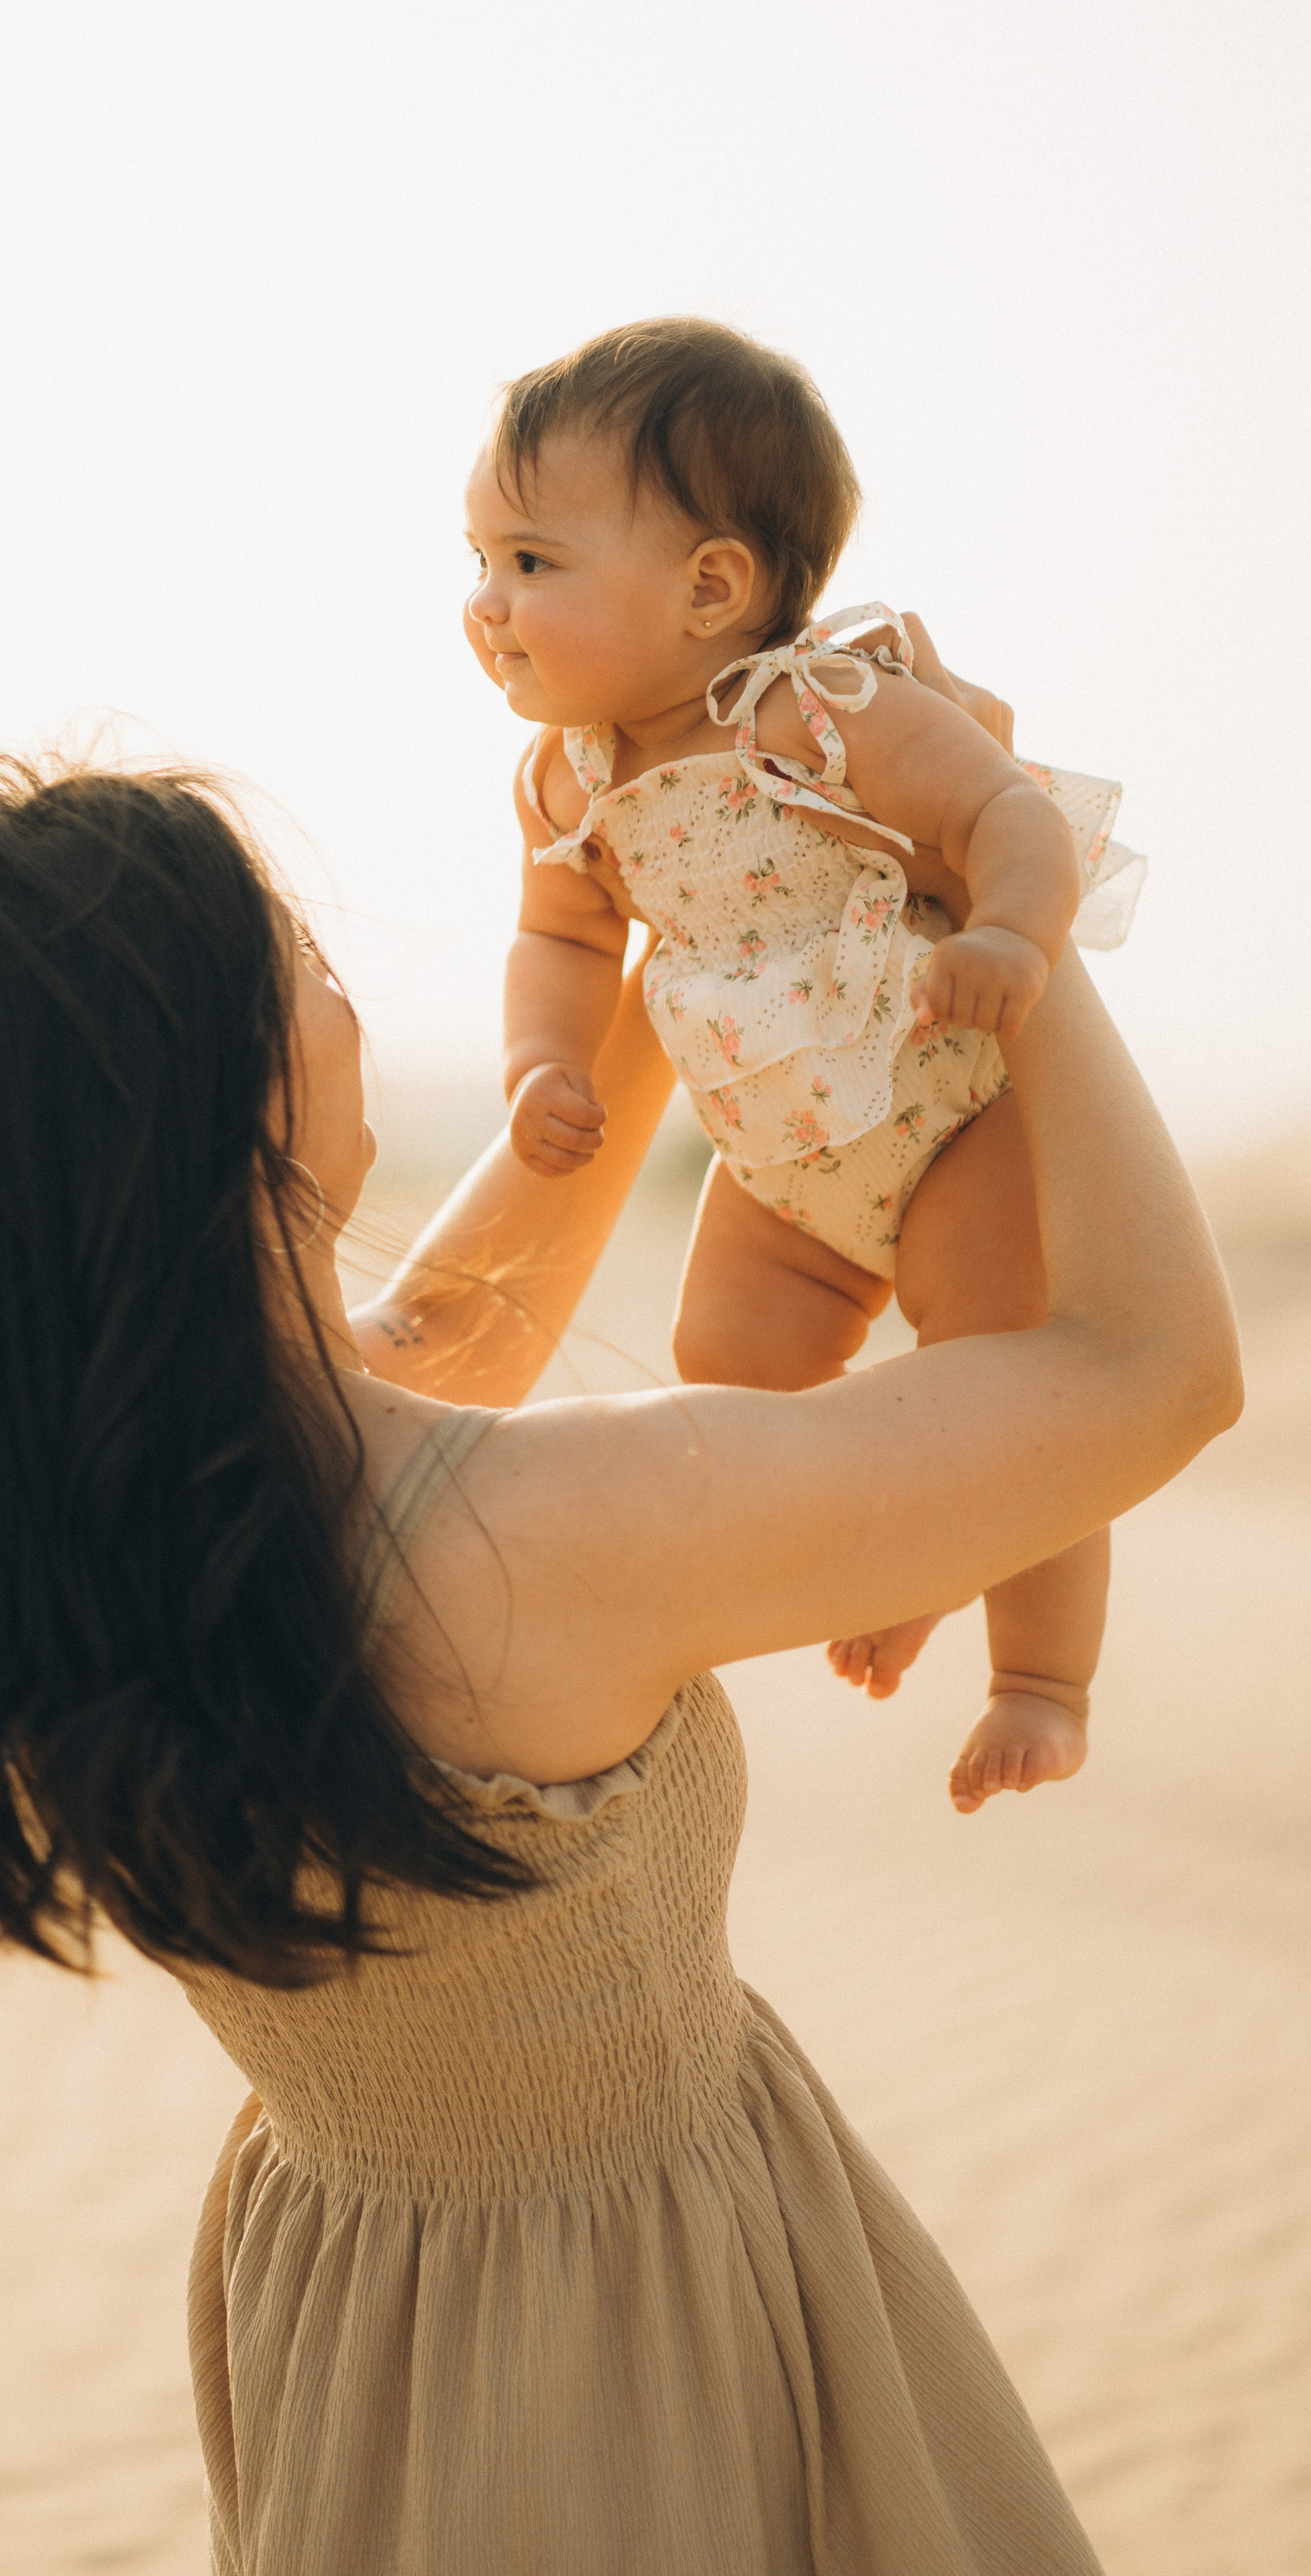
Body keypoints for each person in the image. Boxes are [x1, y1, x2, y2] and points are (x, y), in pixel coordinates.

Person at [0, 732, 1238, 2576]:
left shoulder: (82, 1534)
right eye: (299, 955)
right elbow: (1152, 1369)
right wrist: (1007, 906)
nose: (344, 989)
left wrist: (680, 906)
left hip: (365, 2320)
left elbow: (451, 1330)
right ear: (238, 1090)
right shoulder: (544, 1533)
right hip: (640, 2345)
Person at [469, 317, 1146, 1808]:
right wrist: (538, 1065)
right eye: (477, 561)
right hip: (778, 1153)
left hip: (948, 1101)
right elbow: (565, 946)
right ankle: (894, 1551)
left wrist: (1014, 946)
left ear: (709, 585)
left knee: (1003, 1375)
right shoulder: (566, 778)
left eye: (528, 562)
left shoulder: (820, 713)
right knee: (733, 1372)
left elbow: (1004, 817)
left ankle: (1039, 1673)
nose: (483, 603)